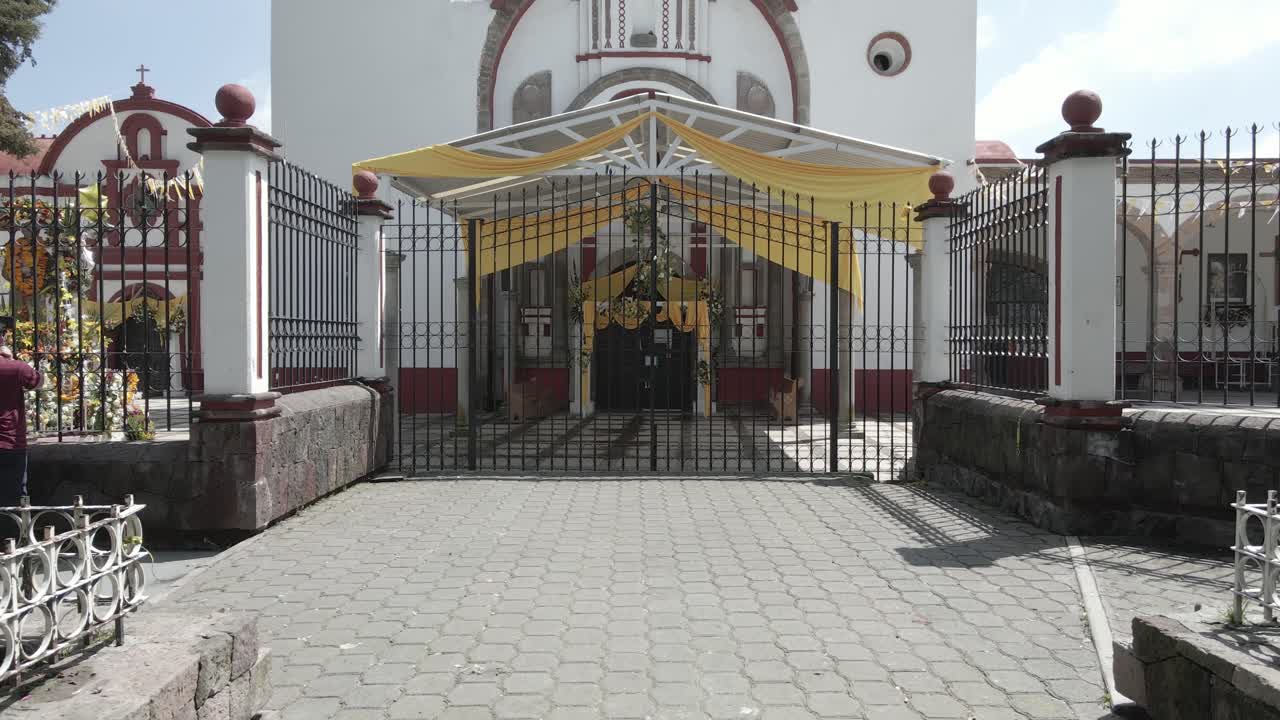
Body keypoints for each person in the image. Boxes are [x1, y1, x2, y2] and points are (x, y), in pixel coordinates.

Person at [0, 344, 40, 508]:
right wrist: (10, 359)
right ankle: (12, 532)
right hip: (11, 442)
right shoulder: (15, 367)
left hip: (11, 443)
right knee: (14, 497)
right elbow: (37, 381)